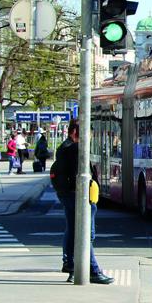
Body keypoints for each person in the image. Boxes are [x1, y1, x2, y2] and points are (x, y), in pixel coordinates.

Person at [54, 119, 114, 284]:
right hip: (79, 196)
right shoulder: (75, 149)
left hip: (68, 194)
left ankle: (72, 266)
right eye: (87, 133)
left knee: (73, 231)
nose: (90, 137)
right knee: (86, 234)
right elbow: (79, 174)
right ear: (75, 132)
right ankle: (93, 271)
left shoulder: (63, 147)